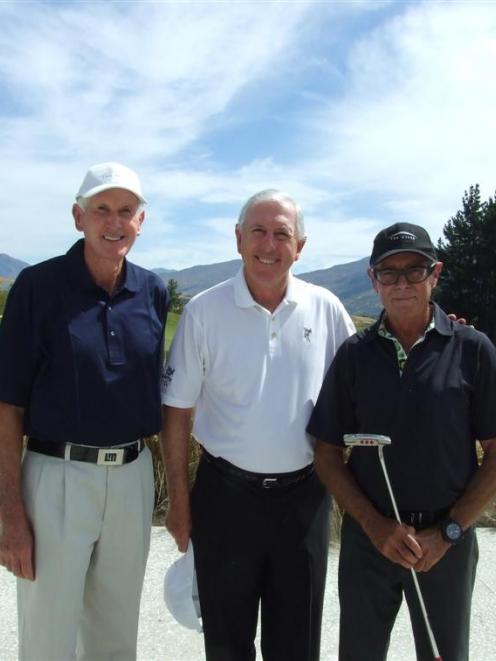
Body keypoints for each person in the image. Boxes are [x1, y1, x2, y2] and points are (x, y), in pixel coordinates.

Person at [161, 189, 355, 661]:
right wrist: (179, 504)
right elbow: (176, 412)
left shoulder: (326, 307)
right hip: (224, 498)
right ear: (238, 238)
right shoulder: (204, 312)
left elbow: (366, 381)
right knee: (227, 642)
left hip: (304, 500)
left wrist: (441, 335)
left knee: (297, 644)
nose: (269, 245)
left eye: (282, 234)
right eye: (258, 232)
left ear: (300, 246)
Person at [0, 162, 169, 660]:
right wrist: (10, 514)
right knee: (48, 635)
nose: (113, 222)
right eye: (101, 210)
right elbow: (7, 404)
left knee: (115, 638)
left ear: (141, 221)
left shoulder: (153, 291)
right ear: (78, 217)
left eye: (125, 211)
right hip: (56, 476)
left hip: (133, 476)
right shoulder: (37, 287)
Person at [307, 222, 496, 661]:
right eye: (388, 272)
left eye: (415, 270)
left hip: (447, 539)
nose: (402, 283)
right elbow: (327, 453)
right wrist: (375, 527)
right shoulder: (354, 355)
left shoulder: (474, 350)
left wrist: (447, 533)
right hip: (370, 542)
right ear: (373, 280)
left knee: (445, 654)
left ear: (436, 273)